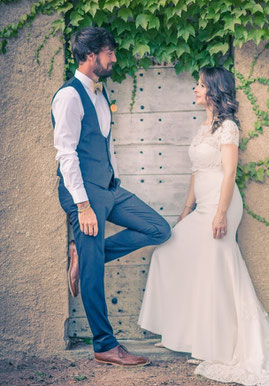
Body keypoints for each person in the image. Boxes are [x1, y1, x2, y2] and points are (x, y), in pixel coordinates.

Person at [138, 66, 269, 386]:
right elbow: (196, 172)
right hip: (202, 205)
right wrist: (186, 209)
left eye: (199, 85)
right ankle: (184, 334)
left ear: (213, 90)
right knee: (170, 251)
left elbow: (228, 173)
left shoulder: (228, 129)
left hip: (223, 204)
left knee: (217, 268)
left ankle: (217, 344)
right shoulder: (203, 127)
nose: (194, 89)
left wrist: (220, 214)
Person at [52, 27, 171, 367]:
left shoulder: (100, 93)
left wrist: (113, 180)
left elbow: (105, 142)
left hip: (109, 189)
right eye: (109, 53)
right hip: (84, 196)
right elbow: (66, 155)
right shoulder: (69, 97)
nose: (114, 58)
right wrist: (84, 205)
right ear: (90, 55)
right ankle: (105, 345)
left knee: (158, 228)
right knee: (93, 276)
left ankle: (84, 257)